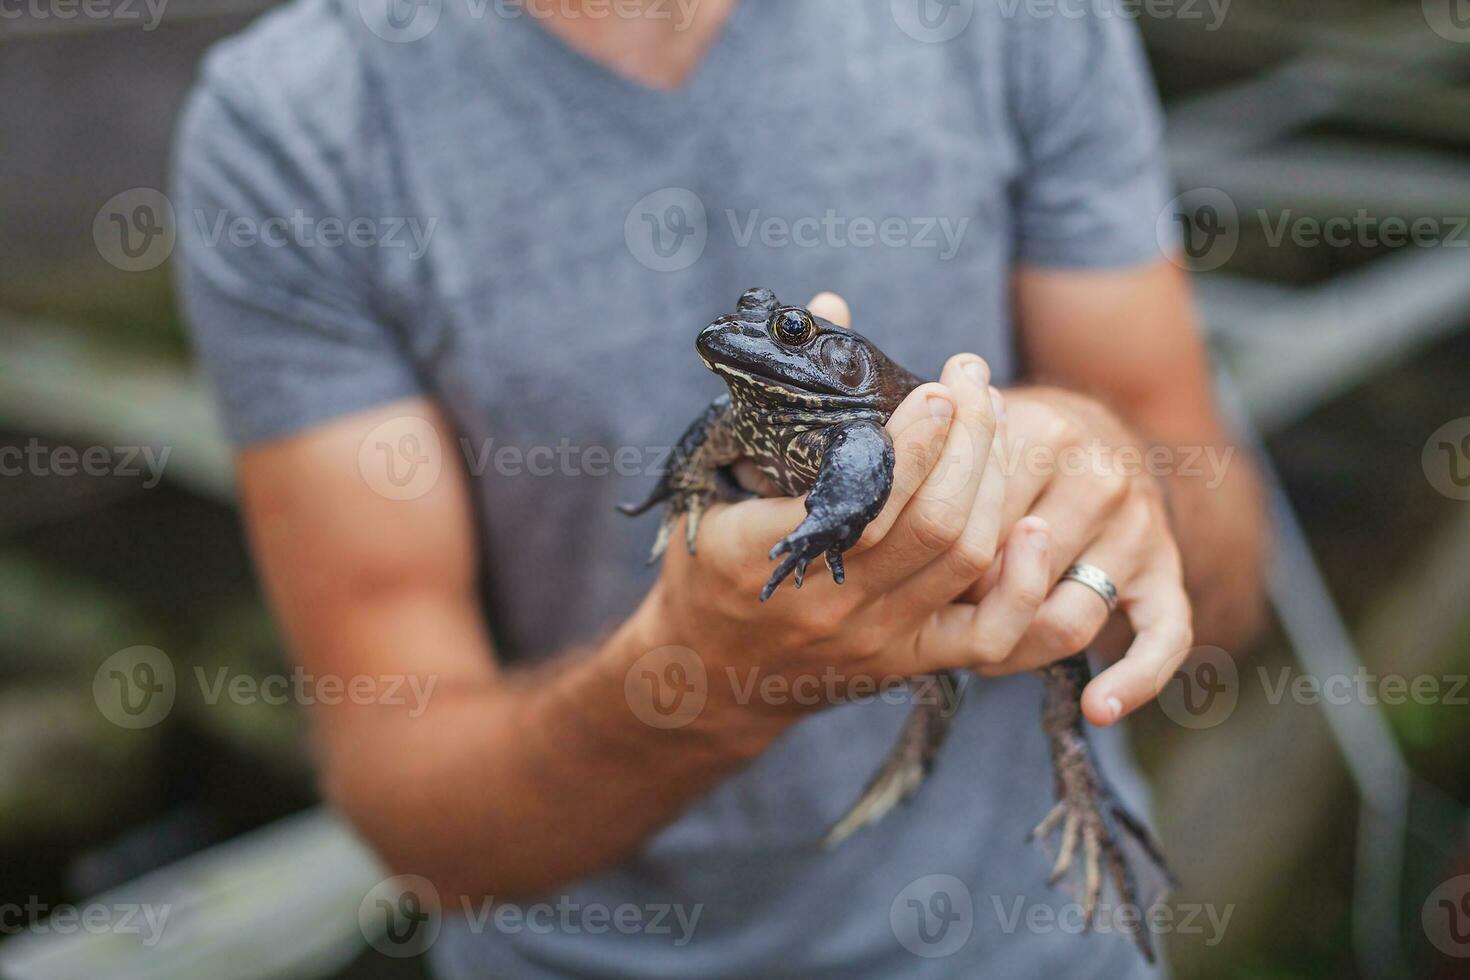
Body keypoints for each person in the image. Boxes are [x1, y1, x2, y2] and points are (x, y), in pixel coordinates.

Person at [172, 0, 1267, 975]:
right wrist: (701, 678)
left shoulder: (1021, 20)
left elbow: (1224, 599)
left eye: (781, 330)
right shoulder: (296, 120)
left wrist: (1105, 463)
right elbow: (414, 816)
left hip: (1029, 944)